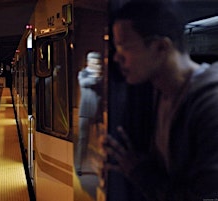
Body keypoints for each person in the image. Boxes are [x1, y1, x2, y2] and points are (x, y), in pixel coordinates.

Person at [103, 0, 218, 200]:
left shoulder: (211, 104)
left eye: (123, 47)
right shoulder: (162, 93)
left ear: (160, 47)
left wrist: (139, 172)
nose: (116, 58)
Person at [76, 51, 103, 176]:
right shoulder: (83, 73)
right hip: (85, 113)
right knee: (83, 140)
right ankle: (79, 166)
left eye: (98, 63)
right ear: (89, 62)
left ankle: (100, 167)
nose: (96, 65)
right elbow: (84, 83)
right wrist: (96, 76)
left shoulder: (100, 75)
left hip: (97, 113)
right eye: (94, 62)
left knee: (100, 141)